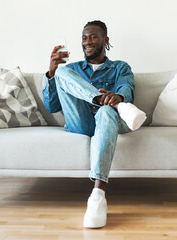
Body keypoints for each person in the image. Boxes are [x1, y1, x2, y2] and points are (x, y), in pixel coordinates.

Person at [42, 20, 145, 228]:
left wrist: (119, 97)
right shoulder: (71, 69)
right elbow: (52, 107)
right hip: (80, 121)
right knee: (62, 71)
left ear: (105, 41)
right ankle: (97, 99)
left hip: (107, 121)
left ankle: (98, 194)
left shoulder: (119, 67)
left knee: (107, 110)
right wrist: (52, 74)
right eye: (84, 38)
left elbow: (127, 87)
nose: (87, 41)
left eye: (93, 37)